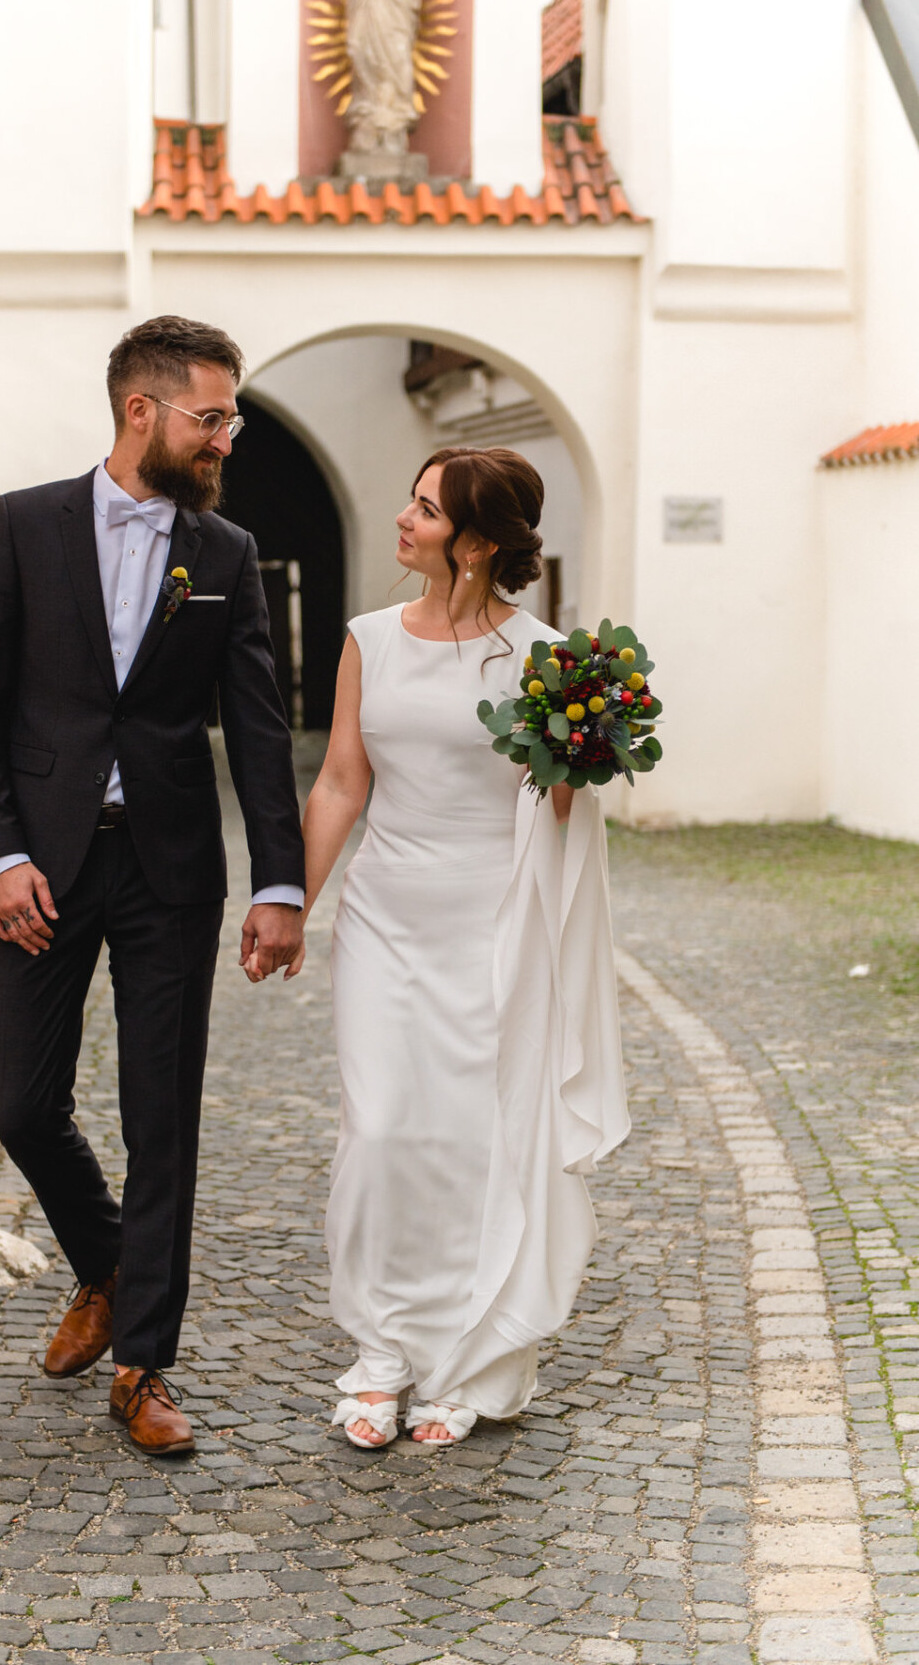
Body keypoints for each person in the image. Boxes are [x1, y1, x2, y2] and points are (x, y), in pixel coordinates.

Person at [0, 316, 305, 1455]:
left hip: (169, 872)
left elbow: (258, 731)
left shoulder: (229, 554)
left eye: (232, 418)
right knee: (20, 1103)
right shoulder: (23, 524)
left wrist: (281, 880)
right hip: (40, 868)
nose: (227, 439)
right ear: (140, 411)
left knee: (164, 1120)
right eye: (212, 417)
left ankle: (144, 1362)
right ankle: (105, 1263)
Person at [299, 446, 629, 1449]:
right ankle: (380, 1349)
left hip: (496, 926)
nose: (403, 517)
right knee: (386, 1127)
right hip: (386, 919)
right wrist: (286, 903)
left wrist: (587, 744)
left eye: (426, 508)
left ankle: (467, 1355)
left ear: (478, 543)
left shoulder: (547, 660)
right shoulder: (368, 639)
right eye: (409, 499)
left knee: (477, 1140)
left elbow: (563, 809)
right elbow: (342, 783)